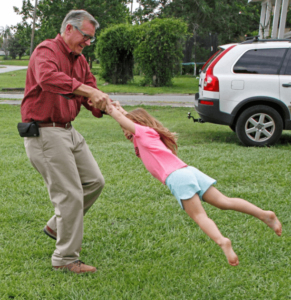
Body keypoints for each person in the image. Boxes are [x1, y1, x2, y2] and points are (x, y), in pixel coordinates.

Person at [104, 103, 282, 266]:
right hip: (189, 171)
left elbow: (122, 118)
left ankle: (222, 241)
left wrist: (106, 106)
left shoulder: (142, 132)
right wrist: (116, 105)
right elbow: (125, 116)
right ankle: (265, 215)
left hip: (177, 177)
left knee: (199, 216)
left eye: (125, 127)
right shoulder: (148, 132)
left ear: (136, 123)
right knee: (224, 201)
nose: (124, 130)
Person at [21, 10, 110, 273]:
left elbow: (90, 95)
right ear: (69, 29)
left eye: (91, 39)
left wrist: (104, 104)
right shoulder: (46, 50)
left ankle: (55, 226)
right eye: (86, 37)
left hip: (69, 130)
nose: (88, 43)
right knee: (69, 194)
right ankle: (65, 259)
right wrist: (88, 90)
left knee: (94, 181)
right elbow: (48, 79)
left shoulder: (80, 61)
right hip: (45, 131)